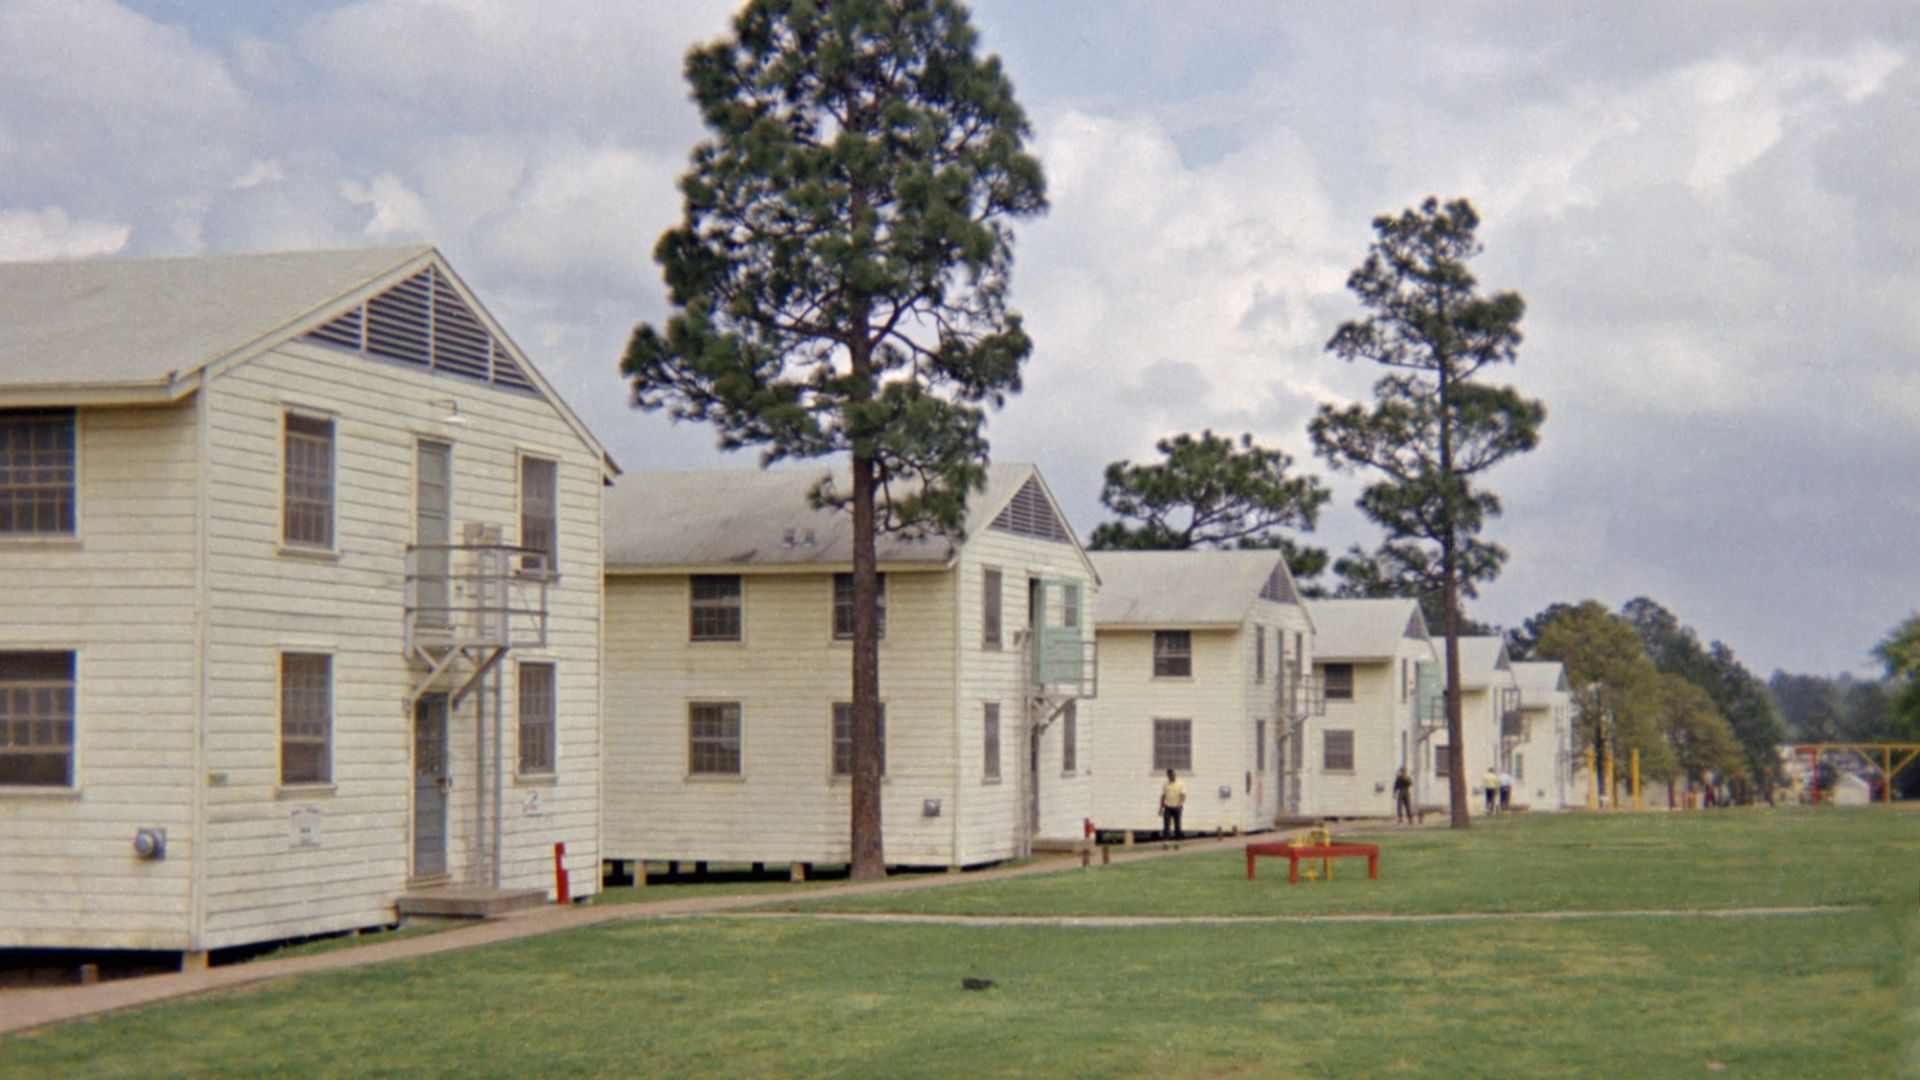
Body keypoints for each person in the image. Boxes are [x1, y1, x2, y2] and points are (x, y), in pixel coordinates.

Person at [1159, 768, 1186, 844]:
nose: (1172, 777)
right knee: (1166, 824)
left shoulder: (1180, 783)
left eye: (1173, 775)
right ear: (1168, 776)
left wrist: (1181, 803)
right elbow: (1163, 796)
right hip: (1167, 807)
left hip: (1177, 807)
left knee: (1177, 825)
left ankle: (1177, 841)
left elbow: (1183, 795)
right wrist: (1161, 808)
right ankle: (1166, 841)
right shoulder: (1165, 784)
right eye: (1170, 775)